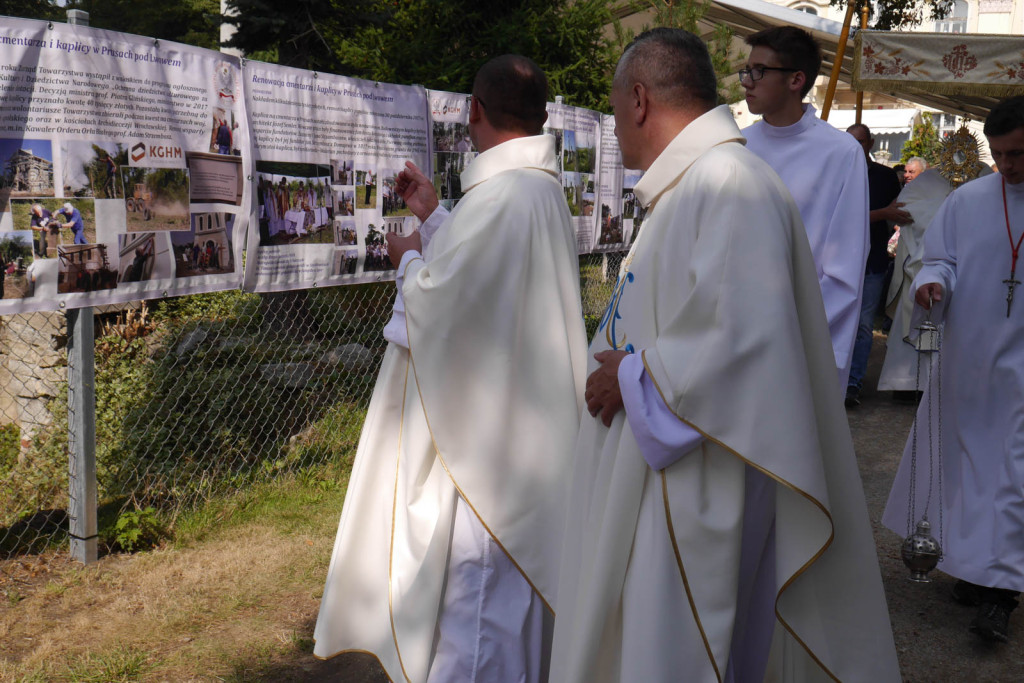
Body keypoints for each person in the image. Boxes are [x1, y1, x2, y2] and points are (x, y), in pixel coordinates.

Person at [550, 28, 899, 683]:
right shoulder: (696, 185)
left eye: (616, 103)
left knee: (675, 650)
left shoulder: (729, 184)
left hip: (695, 488)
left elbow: (743, 342)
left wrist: (632, 375)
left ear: (640, 100)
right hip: (660, 479)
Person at [313, 55, 588, 682]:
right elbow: (486, 285)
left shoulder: (508, 196)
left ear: (474, 111)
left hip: (490, 452)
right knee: (498, 617)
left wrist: (410, 259)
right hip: (521, 426)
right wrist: (435, 217)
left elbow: (449, 305)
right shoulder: (532, 189)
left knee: (478, 612)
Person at [882, 96, 1024, 644]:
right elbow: (940, 259)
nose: (1008, 166)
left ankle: (1000, 593)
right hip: (971, 362)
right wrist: (930, 285)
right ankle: (976, 568)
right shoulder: (968, 201)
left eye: (1019, 154)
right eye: (1001, 154)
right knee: (968, 472)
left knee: (1012, 477)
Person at [741, 26, 870, 388]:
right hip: (734, 332)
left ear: (797, 79)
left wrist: (792, 333)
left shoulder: (841, 152)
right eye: (746, 70)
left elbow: (844, 265)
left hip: (801, 336)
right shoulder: (737, 145)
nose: (747, 81)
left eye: (759, 71)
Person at [844, 123, 907, 407]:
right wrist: (880, 213)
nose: (855, 146)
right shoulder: (835, 172)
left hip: (873, 261)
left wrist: (879, 215)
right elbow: (842, 216)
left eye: (860, 141)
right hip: (839, 260)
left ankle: (852, 383)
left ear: (870, 143)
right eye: (850, 141)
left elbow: (897, 211)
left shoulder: (883, 176)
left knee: (863, 326)